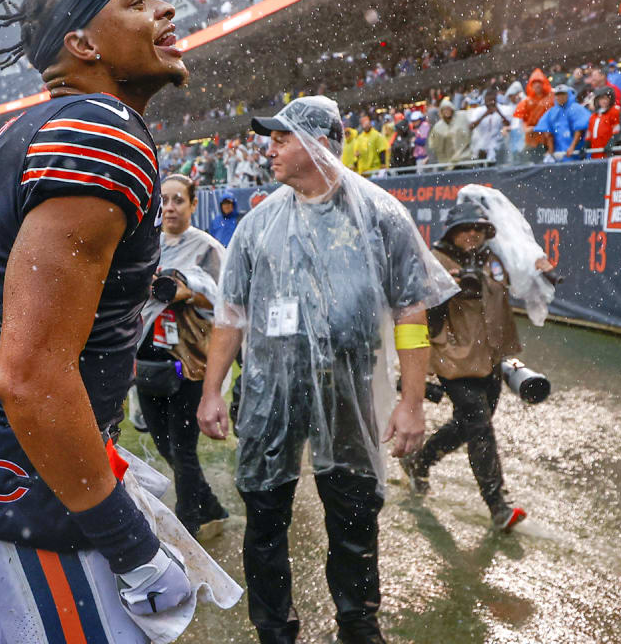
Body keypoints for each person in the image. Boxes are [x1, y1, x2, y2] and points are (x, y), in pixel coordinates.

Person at [0, 0, 198, 641]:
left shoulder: (42, 125)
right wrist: (131, 548)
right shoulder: (100, 131)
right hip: (28, 467)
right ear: (85, 45)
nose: (164, 11)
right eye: (137, 1)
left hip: (8, 456)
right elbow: (33, 375)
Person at [197, 96, 458, 644]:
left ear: (316, 145)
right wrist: (212, 390)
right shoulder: (257, 225)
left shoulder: (381, 215)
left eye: (281, 138)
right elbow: (231, 315)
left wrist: (411, 403)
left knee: (354, 507)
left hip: (348, 388)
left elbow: (412, 313)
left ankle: (358, 622)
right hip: (271, 391)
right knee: (266, 511)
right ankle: (274, 628)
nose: (269, 149)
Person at [400, 202, 538, 530]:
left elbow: (510, 290)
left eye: (478, 228)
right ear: (452, 232)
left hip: (488, 358)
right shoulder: (433, 262)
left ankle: (419, 461)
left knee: (468, 424)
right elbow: (415, 310)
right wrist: (443, 286)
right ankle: (498, 505)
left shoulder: (491, 259)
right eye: (465, 228)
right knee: (479, 426)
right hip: (450, 357)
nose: (472, 234)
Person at [136, 174, 229, 539]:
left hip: (189, 363)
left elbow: (227, 305)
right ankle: (212, 507)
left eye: (179, 200)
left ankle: (187, 528)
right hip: (148, 360)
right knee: (164, 445)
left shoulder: (207, 249)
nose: (171, 207)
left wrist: (189, 293)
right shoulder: (144, 245)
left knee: (183, 449)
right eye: (166, 201)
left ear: (193, 204)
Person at [535, 85, 591, 162]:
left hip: (576, 154)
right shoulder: (552, 111)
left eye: (562, 94)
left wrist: (572, 147)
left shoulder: (576, 108)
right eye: (557, 95)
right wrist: (550, 151)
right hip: (559, 153)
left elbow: (579, 130)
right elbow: (546, 131)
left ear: (568, 95)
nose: (560, 97)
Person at [513, 69, 555, 163]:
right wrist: (528, 128)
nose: (537, 85)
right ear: (531, 85)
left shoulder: (551, 98)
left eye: (539, 82)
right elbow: (522, 120)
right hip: (532, 138)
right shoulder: (526, 101)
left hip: (548, 137)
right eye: (534, 83)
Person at [428, 97, 472, 167]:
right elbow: (433, 143)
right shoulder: (438, 126)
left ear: (452, 109)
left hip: (465, 158)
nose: (446, 111)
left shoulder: (462, 117)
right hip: (448, 162)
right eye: (444, 109)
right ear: (441, 111)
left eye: (448, 108)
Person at [587, 86, 621, 158]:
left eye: (607, 98)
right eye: (602, 98)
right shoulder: (594, 116)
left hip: (609, 152)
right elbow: (589, 134)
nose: (605, 101)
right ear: (598, 100)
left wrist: (611, 143)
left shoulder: (615, 111)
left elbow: (618, 130)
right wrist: (586, 145)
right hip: (596, 153)